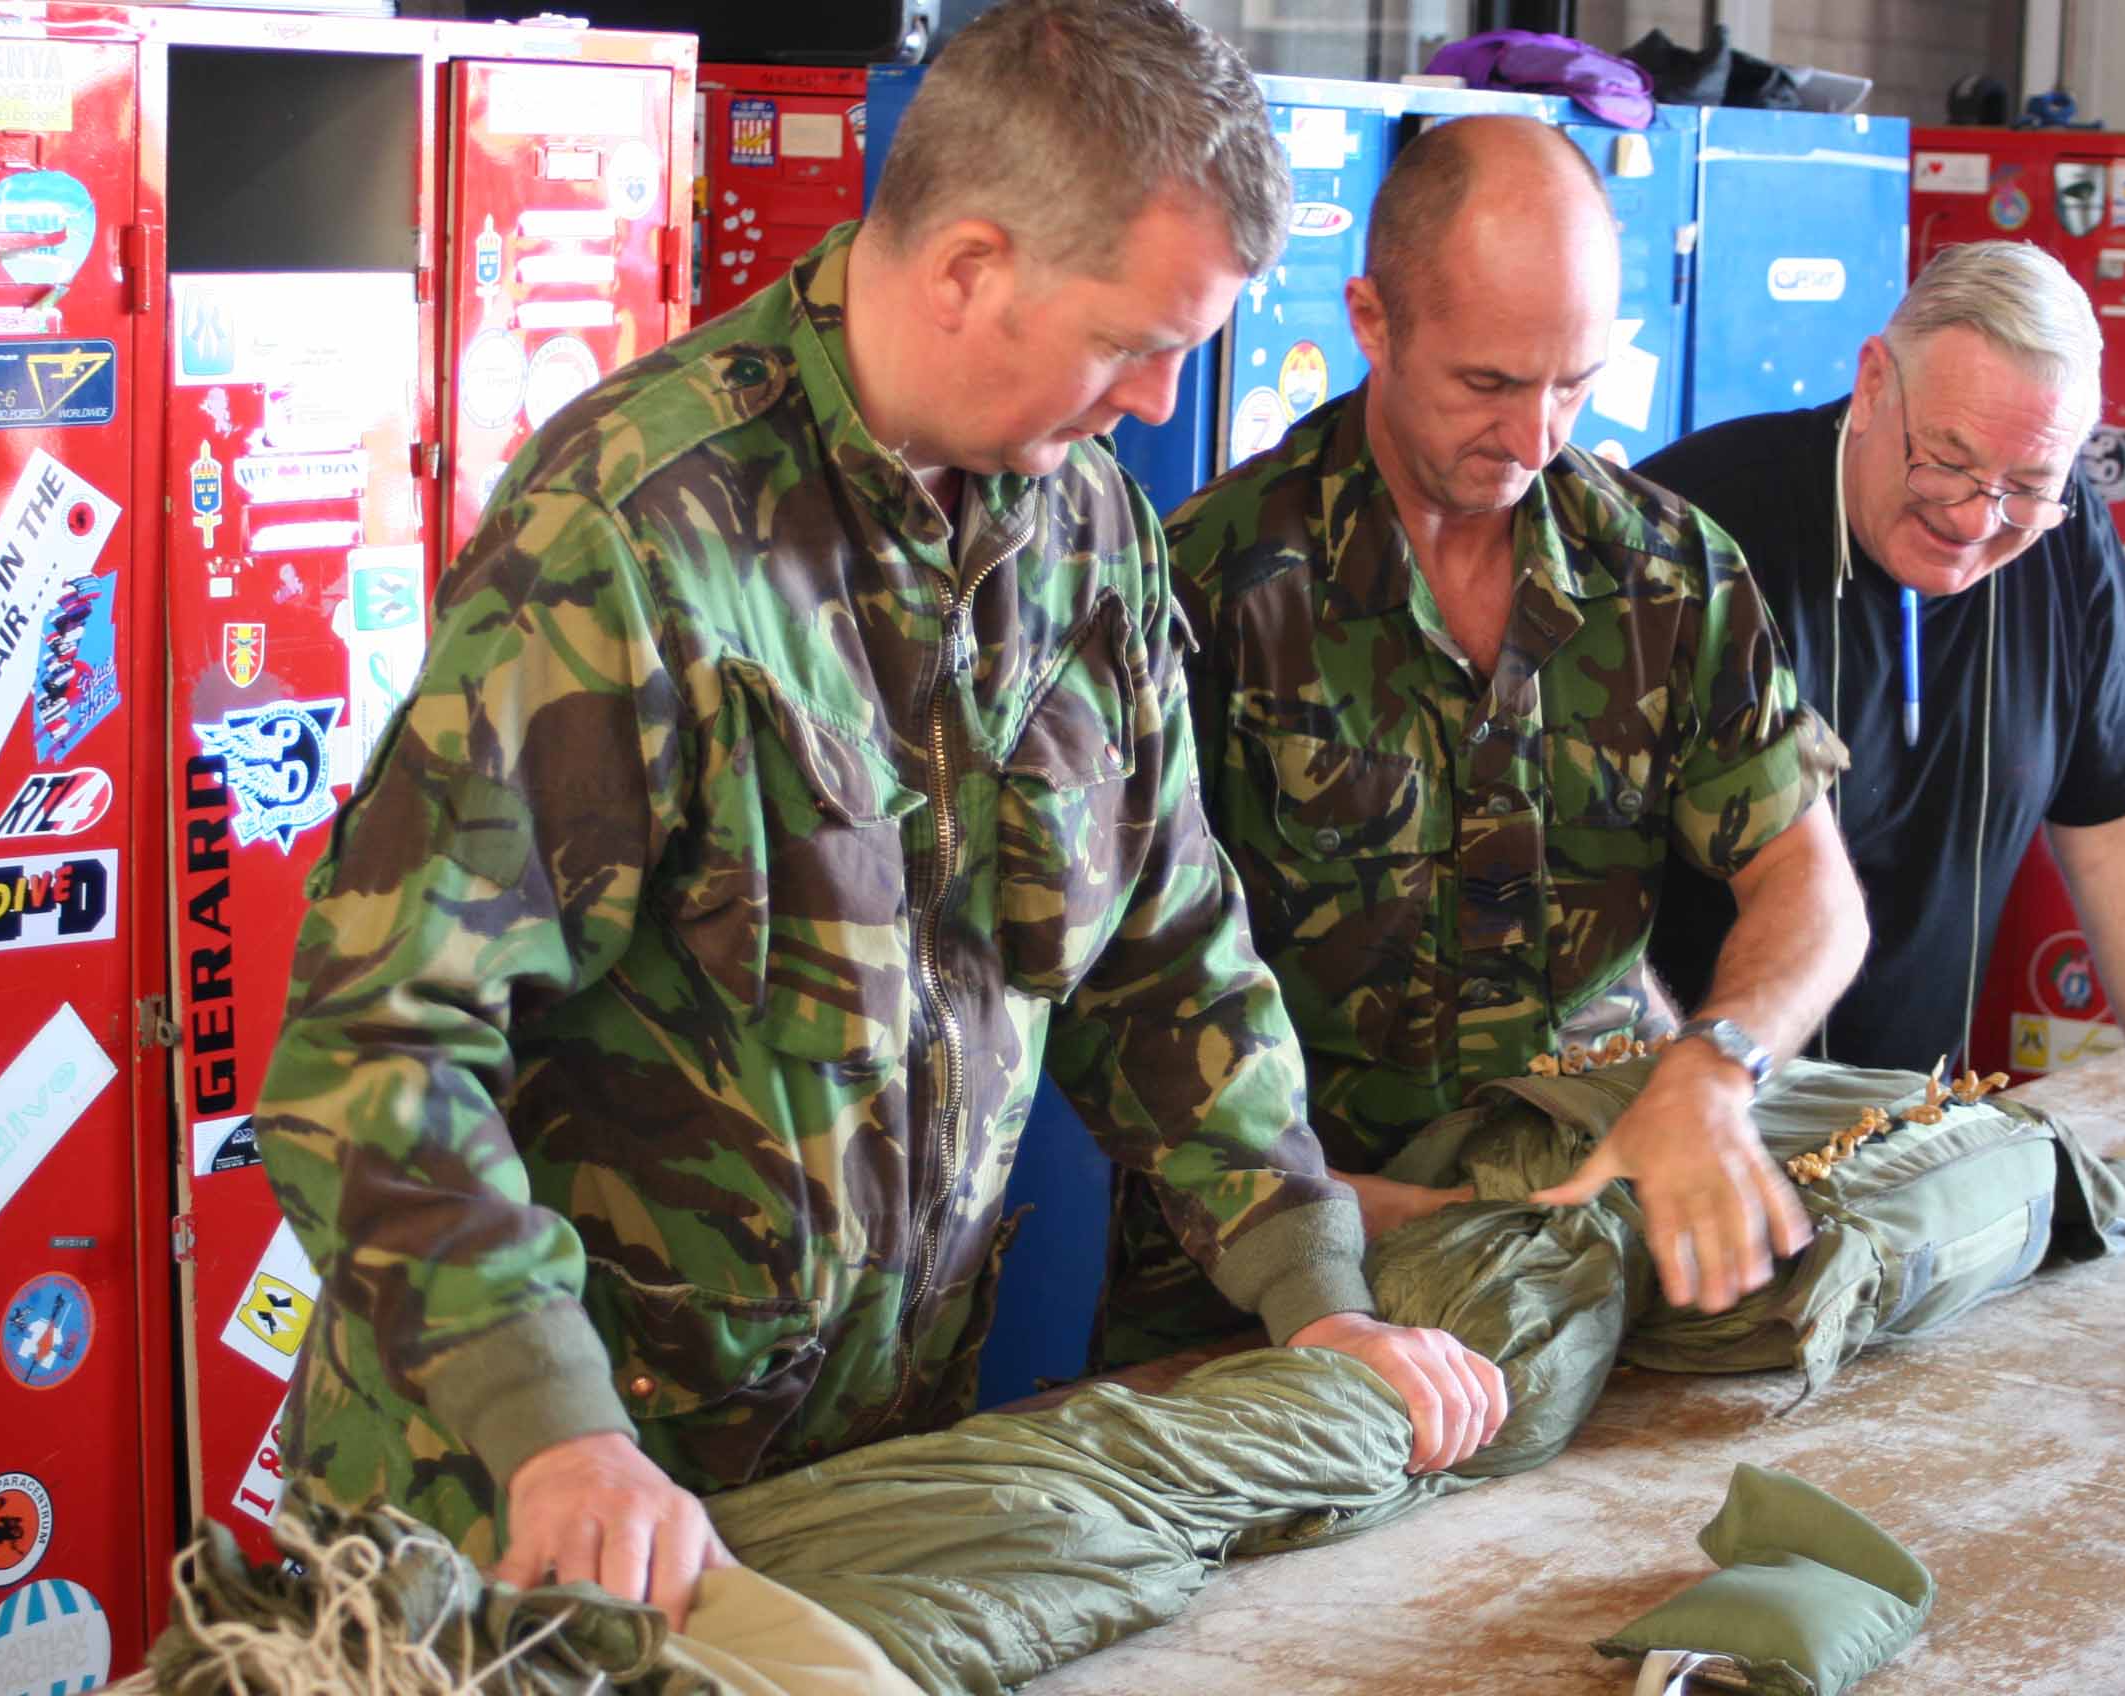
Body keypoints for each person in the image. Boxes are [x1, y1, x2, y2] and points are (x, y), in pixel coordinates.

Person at [252, 0, 1506, 1633]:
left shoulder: (1085, 532)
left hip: (855, 1485)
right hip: (529, 1513)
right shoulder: (634, 543)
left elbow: (1167, 955)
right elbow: (376, 1048)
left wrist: (1311, 1292)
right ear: (969, 265)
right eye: (1131, 343)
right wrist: (552, 1425)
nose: (1153, 401)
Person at [1104, 116, 1870, 1367]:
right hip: (1268, 1296)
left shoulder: (1665, 570)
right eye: (1489, 385)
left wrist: (1716, 1066)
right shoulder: (1210, 587)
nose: (1534, 439)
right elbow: (1127, 998)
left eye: (1573, 382)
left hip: (1581, 1259)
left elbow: (1808, 884)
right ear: (1371, 319)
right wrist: (1370, 1217)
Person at [1639, 239, 2125, 1216]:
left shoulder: (2065, 536)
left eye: (2028, 484)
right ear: (1873, 384)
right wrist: (1679, 1102)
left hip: (1904, 1149)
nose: (1975, 517)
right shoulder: (1688, 532)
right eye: (1945, 461)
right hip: (1684, 1136)